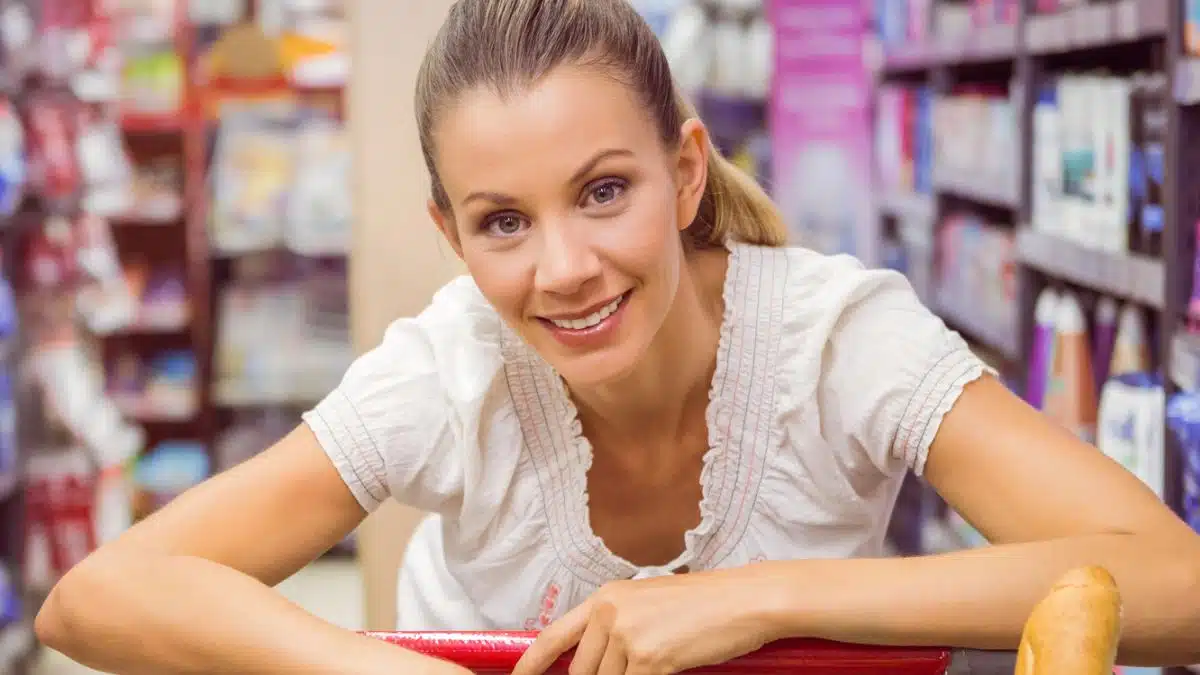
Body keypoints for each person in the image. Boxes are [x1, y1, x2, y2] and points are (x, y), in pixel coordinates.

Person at [34, 1, 1200, 674]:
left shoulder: (836, 341)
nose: (564, 271)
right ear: (450, 233)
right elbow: (96, 598)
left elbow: (1176, 582)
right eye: (502, 222)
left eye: (603, 192)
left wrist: (762, 597)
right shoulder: (451, 372)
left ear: (686, 170)